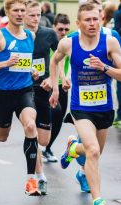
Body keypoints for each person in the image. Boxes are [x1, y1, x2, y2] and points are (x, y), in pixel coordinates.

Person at [49, 3, 121, 205]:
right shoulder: (68, 43)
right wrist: (55, 88)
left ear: (101, 19)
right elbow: (54, 62)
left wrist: (105, 67)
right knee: (93, 150)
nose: (92, 23)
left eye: (96, 19)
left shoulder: (110, 42)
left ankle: (72, 149)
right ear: (78, 23)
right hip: (80, 108)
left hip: (105, 108)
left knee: (94, 153)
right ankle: (98, 202)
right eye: (88, 20)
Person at [0, 0, 41, 195]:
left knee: (30, 126)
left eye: (23, 10)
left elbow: (24, 62)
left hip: (25, 90)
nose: (20, 14)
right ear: (8, 13)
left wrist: (32, 70)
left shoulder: (30, 35)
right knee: (2, 136)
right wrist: (4, 63)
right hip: (4, 93)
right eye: (16, 11)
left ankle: (31, 181)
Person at [23, 1, 59, 195]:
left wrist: (54, 80)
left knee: (44, 140)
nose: (35, 19)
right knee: (31, 130)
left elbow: (59, 56)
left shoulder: (48, 34)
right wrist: (27, 70)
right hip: (24, 89)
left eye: (37, 15)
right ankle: (39, 175)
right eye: (31, 15)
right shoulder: (19, 36)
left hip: (44, 88)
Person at [43, 13, 71, 162]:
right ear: (53, 27)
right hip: (46, 85)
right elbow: (52, 63)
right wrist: (54, 78)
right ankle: (40, 140)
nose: (63, 33)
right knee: (54, 112)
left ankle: (47, 148)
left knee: (59, 119)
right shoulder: (47, 42)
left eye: (66, 29)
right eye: (60, 29)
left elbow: (65, 65)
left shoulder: (67, 43)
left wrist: (66, 79)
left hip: (62, 86)